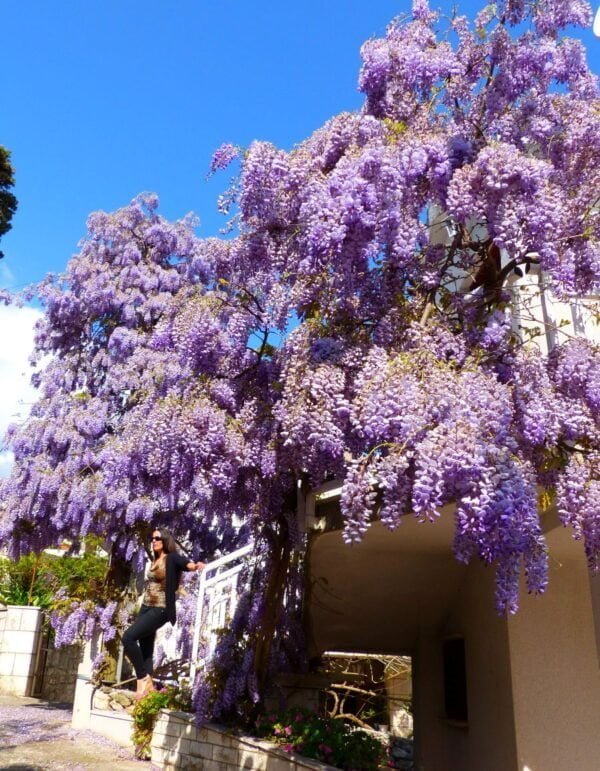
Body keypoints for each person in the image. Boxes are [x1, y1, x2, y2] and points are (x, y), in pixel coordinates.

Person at [122, 528, 204, 698]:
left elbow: (185, 563)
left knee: (128, 637)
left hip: (161, 608)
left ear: (165, 540)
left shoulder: (171, 558)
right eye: (152, 538)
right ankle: (147, 692)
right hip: (146, 607)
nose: (154, 541)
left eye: (157, 538)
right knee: (146, 649)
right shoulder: (154, 559)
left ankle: (142, 678)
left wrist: (196, 566)